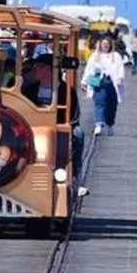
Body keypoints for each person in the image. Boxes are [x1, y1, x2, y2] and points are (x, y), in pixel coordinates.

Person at [23, 54, 87, 196]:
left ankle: (75, 178)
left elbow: (73, 116)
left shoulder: (66, 91)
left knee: (78, 134)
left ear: (49, 70)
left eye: (38, 67)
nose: (35, 70)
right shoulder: (29, 90)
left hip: (57, 128)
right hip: (32, 128)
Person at [81, 37, 125, 136]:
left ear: (110, 45)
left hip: (111, 81)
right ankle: (98, 124)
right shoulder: (95, 55)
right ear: (100, 44)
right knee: (99, 102)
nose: (105, 45)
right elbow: (89, 69)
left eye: (107, 44)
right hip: (97, 80)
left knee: (111, 104)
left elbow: (120, 68)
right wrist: (84, 81)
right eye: (103, 43)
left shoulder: (116, 56)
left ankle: (110, 124)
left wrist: (120, 78)